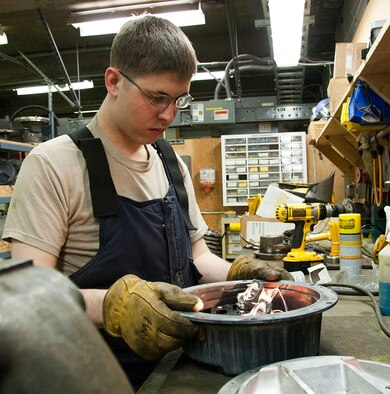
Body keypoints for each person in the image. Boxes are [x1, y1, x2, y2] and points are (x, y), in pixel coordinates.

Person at [2, 15, 292, 389]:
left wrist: (239, 278)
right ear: (114, 81)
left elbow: (198, 258)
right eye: (157, 97)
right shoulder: (53, 164)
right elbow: (27, 300)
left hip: (176, 370)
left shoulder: (170, 163)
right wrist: (113, 307)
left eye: (179, 100)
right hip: (97, 378)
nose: (169, 114)